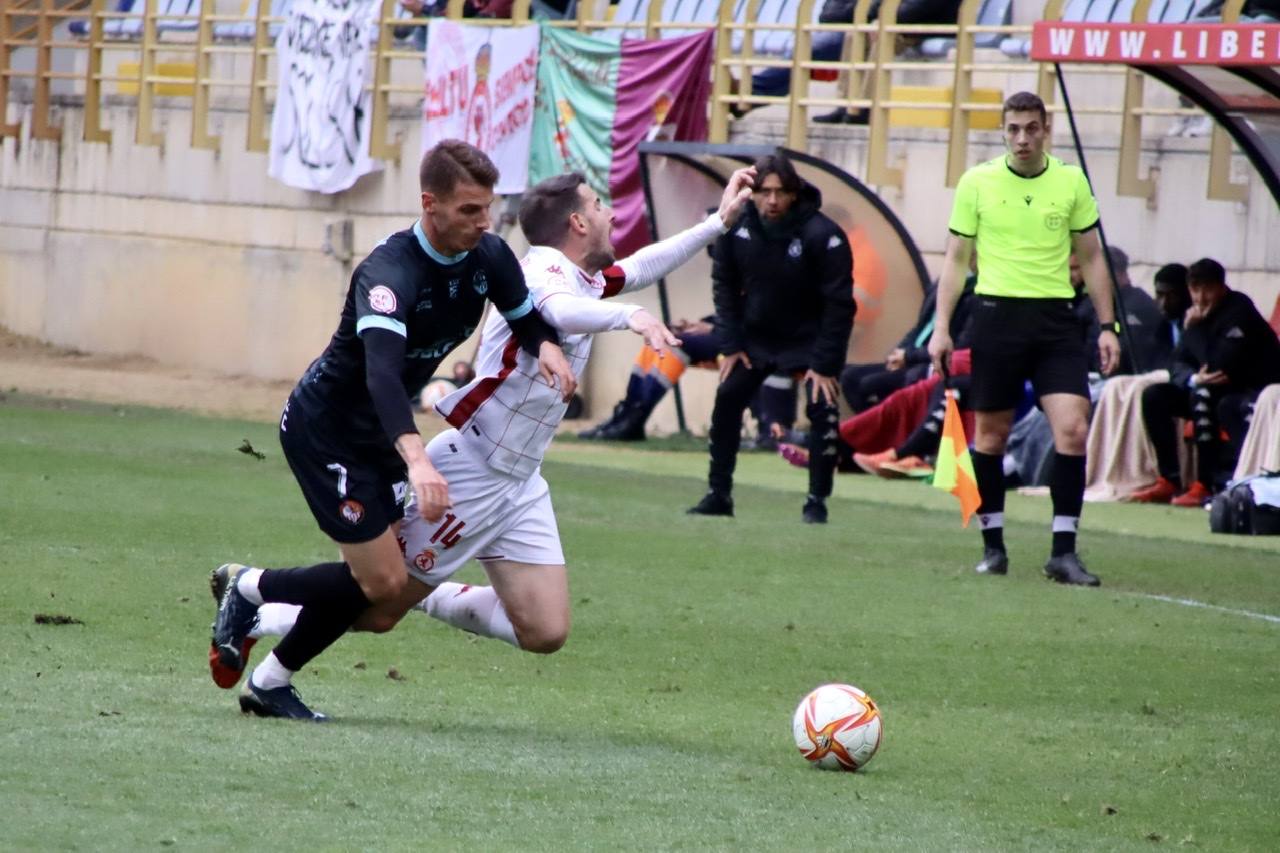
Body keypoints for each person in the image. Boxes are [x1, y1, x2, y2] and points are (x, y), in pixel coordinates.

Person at [209, 166, 758, 705]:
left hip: (520, 480)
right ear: (577, 223)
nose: (611, 213)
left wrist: (719, 224)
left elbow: (628, 272)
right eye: (598, 206)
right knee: (379, 605)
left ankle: (404, 595)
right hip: (468, 466)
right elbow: (553, 308)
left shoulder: (547, 268)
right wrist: (627, 318)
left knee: (545, 630)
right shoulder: (541, 269)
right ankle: (262, 617)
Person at [208, 140, 578, 721]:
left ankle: (268, 676)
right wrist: (419, 461)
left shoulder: (490, 256)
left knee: (379, 599)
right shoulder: (388, 274)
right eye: (469, 211)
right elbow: (382, 375)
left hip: (383, 435)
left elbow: (525, 317)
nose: (484, 223)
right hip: (326, 431)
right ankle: (250, 587)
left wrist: (547, 349)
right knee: (381, 583)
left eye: (488, 209)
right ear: (430, 204)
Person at [928, 91, 1120, 587]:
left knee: (1073, 430)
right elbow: (954, 260)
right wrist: (942, 328)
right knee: (989, 437)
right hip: (995, 319)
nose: (1022, 139)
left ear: (1045, 129)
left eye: (1031, 128)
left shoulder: (1071, 180)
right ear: (1002, 131)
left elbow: (1093, 257)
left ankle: (1064, 551)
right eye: (1013, 129)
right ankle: (993, 547)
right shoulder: (978, 183)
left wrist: (1107, 325)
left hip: (1055, 322)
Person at [688, 153, 856, 525]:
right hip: (756, 336)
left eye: (781, 192)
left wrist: (825, 365)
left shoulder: (823, 235)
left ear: (795, 193)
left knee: (822, 406)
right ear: (753, 192)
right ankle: (719, 494)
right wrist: (730, 345)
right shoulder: (736, 225)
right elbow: (724, 286)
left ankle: (816, 502)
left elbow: (839, 306)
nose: (773, 200)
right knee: (729, 395)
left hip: (807, 340)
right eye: (764, 192)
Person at [1126, 258, 1280, 506]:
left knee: (1206, 395)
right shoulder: (1197, 315)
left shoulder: (1238, 310)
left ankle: (1204, 484)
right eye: (1195, 290)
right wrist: (1193, 377)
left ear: (1220, 287)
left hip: (1251, 389)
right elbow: (1176, 363)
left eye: (1207, 289)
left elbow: (1221, 364)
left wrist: (1192, 331)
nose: (1200, 297)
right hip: (1215, 388)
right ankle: (1170, 479)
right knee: (1155, 396)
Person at [577, 315, 797, 445]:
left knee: (676, 344)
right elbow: (734, 306)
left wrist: (712, 327)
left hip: (766, 339)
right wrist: (701, 323)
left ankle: (634, 418)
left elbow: (766, 313)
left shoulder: (767, 254)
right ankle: (628, 414)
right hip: (737, 334)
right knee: (661, 340)